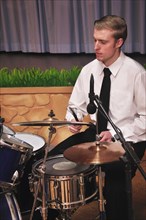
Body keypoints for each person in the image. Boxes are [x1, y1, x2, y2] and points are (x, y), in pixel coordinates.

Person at [49, 15, 146, 220]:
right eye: (95, 40)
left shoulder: (137, 73)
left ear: (119, 42)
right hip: (94, 133)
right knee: (50, 162)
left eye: (103, 42)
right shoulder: (88, 71)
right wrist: (73, 120)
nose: (96, 46)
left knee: (115, 185)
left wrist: (115, 133)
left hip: (127, 138)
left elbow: (145, 119)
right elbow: (75, 106)